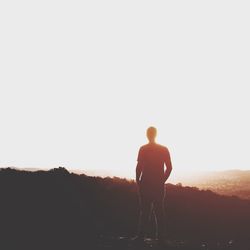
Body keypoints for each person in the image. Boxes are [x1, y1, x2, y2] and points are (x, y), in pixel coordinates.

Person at [135, 126, 172, 242]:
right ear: (156, 134)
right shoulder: (163, 149)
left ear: (147, 135)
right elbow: (169, 168)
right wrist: (162, 181)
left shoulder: (143, 149)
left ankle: (141, 237)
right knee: (159, 211)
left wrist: (138, 181)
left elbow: (139, 167)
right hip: (157, 185)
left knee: (145, 212)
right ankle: (161, 238)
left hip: (145, 184)